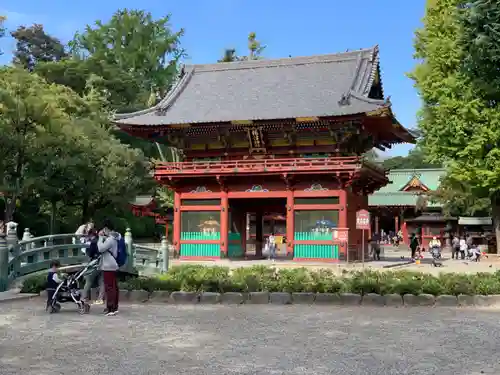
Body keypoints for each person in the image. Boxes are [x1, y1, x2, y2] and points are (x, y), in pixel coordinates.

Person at [97, 220, 120, 316]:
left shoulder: (110, 239)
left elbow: (100, 248)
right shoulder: (114, 238)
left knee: (109, 287)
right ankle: (114, 307)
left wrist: (100, 238)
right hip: (112, 264)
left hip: (108, 266)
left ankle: (111, 308)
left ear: (106, 228)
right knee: (113, 286)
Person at [81, 229, 105, 305]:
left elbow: (90, 254)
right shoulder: (101, 241)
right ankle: (100, 298)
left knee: (89, 279)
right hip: (103, 262)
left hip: (95, 263)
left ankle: (84, 297)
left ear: (91, 235)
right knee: (101, 281)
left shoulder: (93, 242)